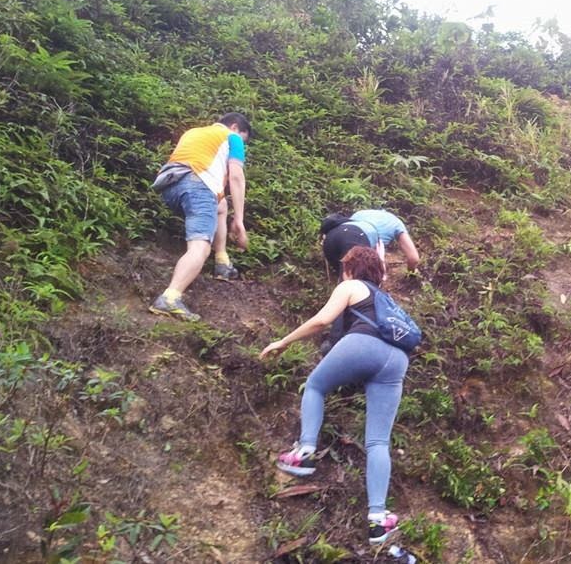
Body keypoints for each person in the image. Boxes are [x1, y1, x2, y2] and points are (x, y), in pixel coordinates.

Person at [259, 246, 408, 545]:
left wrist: (284, 341)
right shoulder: (387, 300)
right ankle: (378, 520)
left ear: (349, 269)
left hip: (363, 345)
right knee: (378, 441)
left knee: (315, 386)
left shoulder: (351, 285)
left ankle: (304, 453)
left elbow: (322, 320)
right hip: (397, 360)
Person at [148, 113, 251, 321]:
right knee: (200, 247)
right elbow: (236, 177)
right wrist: (239, 220)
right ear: (235, 127)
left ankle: (222, 262)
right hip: (198, 185)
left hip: (170, 185)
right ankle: (170, 297)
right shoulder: (233, 138)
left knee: (221, 205)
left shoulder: (194, 132)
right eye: (244, 138)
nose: (243, 143)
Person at [320, 209, 419, 274]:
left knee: (344, 276)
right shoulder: (397, 223)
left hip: (331, 237)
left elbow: (346, 234)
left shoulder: (361, 213)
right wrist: (411, 272)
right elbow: (413, 258)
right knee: (363, 282)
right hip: (358, 238)